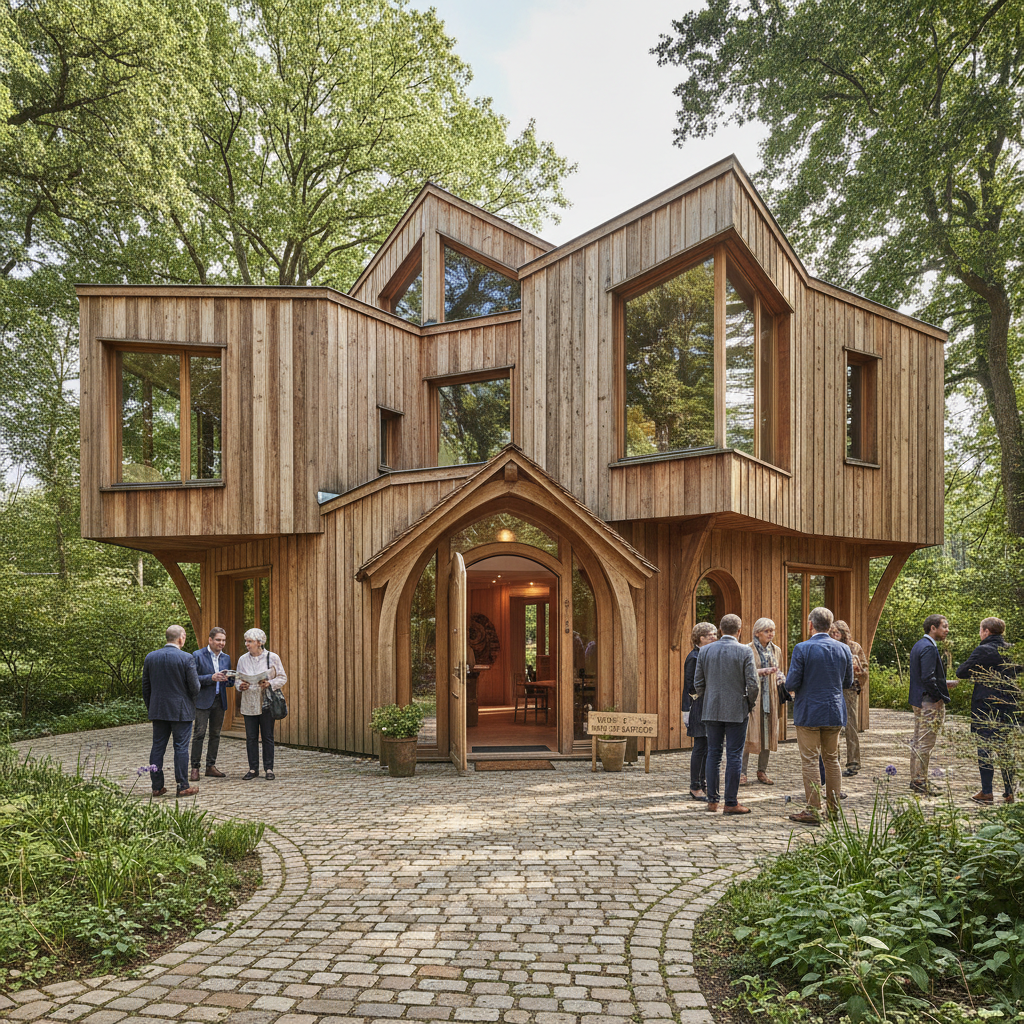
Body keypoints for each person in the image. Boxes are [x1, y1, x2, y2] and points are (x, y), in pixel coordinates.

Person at [786, 606, 852, 825]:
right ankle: (833, 810)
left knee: (810, 761)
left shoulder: (802, 648)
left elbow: (792, 682)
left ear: (810, 624)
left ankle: (813, 810)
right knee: (832, 760)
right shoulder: (843, 649)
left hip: (809, 711)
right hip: (834, 709)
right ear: (830, 625)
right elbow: (848, 682)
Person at [694, 613, 758, 815]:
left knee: (713, 753)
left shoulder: (705, 651)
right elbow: (753, 684)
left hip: (711, 708)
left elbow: (698, 683)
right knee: (734, 755)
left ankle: (712, 801)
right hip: (737, 709)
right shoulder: (745, 651)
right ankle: (730, 802)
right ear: (739, 631)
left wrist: (709, 698)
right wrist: (748, 702)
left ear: (720, 630)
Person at [956, 617, 1020, 805]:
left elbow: (961, 672)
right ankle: (1009, 792)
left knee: (985, 748)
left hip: (985, 706)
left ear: (986, 631)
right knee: (1006, 748)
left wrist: (979, 672)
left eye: (980, 630)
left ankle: (987, 792)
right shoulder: (1012, 649)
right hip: (1009, 705)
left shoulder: (983, 649)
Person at [142, 625, 201, 797]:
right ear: (181, 638)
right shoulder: (186, 658)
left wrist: (152, 706)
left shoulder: (151, 657)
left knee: (157, 747)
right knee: (181, 747)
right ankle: (182, 786)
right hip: (181, 711)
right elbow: (195, 687)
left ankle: (157, 786)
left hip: (158, 709)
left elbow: (146, 687)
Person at [909, 614, 955, 795]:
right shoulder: (928, 647)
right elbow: (928, 678)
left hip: (919, 699)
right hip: (928, 702)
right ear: (932, 628)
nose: (947, 630)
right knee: (925, 744)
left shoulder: (918, 645)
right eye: (944, 626)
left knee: (918, 741)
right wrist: (939, 697)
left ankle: (916, 779)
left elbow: (925, 676)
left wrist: (944, 682)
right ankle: (920, 781)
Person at [235, 627, 287, 780]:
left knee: (267, 736)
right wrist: (240, 686)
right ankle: (253, 769)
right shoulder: (242, 659)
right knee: (251, 737)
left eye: (250, 641)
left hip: (266, 702)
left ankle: (269, 769)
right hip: (248, 702)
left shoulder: (273, 657)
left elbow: (283, 677)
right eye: (246, 641)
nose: (247, 644)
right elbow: (238, 679)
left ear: (259, 642)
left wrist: (270, 683)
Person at [742, 618, 783, 786]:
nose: (770, 634)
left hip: (771, 698)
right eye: (767, 631)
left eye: (772, 630)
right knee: (748, 734)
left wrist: (780, 677)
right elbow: (743, 673)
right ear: (757, 632)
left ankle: (762, 770)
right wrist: (762, 671)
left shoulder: (776, 650)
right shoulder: (747, 649)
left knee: (768, 733)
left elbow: (778, 670)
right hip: (753, 698)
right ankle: (741, 772)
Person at [190, 627, 233, 781]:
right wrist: (211, 678)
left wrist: (230, 680)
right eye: (218, 640)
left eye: (223, 640)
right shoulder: (197, 655)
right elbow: (192, 679)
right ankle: (195, 768)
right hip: (202, 701)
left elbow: (230, 682)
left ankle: (211, 766)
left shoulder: (226, 658)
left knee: (215, 734)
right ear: (210, 640)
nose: (221, 643)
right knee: (199, 734)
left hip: (219, 701)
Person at [683, 622, 718, 800]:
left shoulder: (706, 654)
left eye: (715, 634)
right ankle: (695, 786)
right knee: (700, 747)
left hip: (708, 704)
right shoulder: (694, 657)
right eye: (710, 635)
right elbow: (691, 686)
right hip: (699, 706)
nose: (714, 637)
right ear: (700, 638)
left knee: (707, 747)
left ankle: (703, 784)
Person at [829, 620, 867, 777]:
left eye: (837, 632)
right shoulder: (828, 646)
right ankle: (833, 761)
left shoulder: (854, 647)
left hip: (849, 690)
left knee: (851, 726)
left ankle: (853, 763)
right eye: (832, 632)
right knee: (833, 727)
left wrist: (857, 669)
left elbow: (864, 669)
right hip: (832, 689)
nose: (834, 635)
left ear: (844, 634)